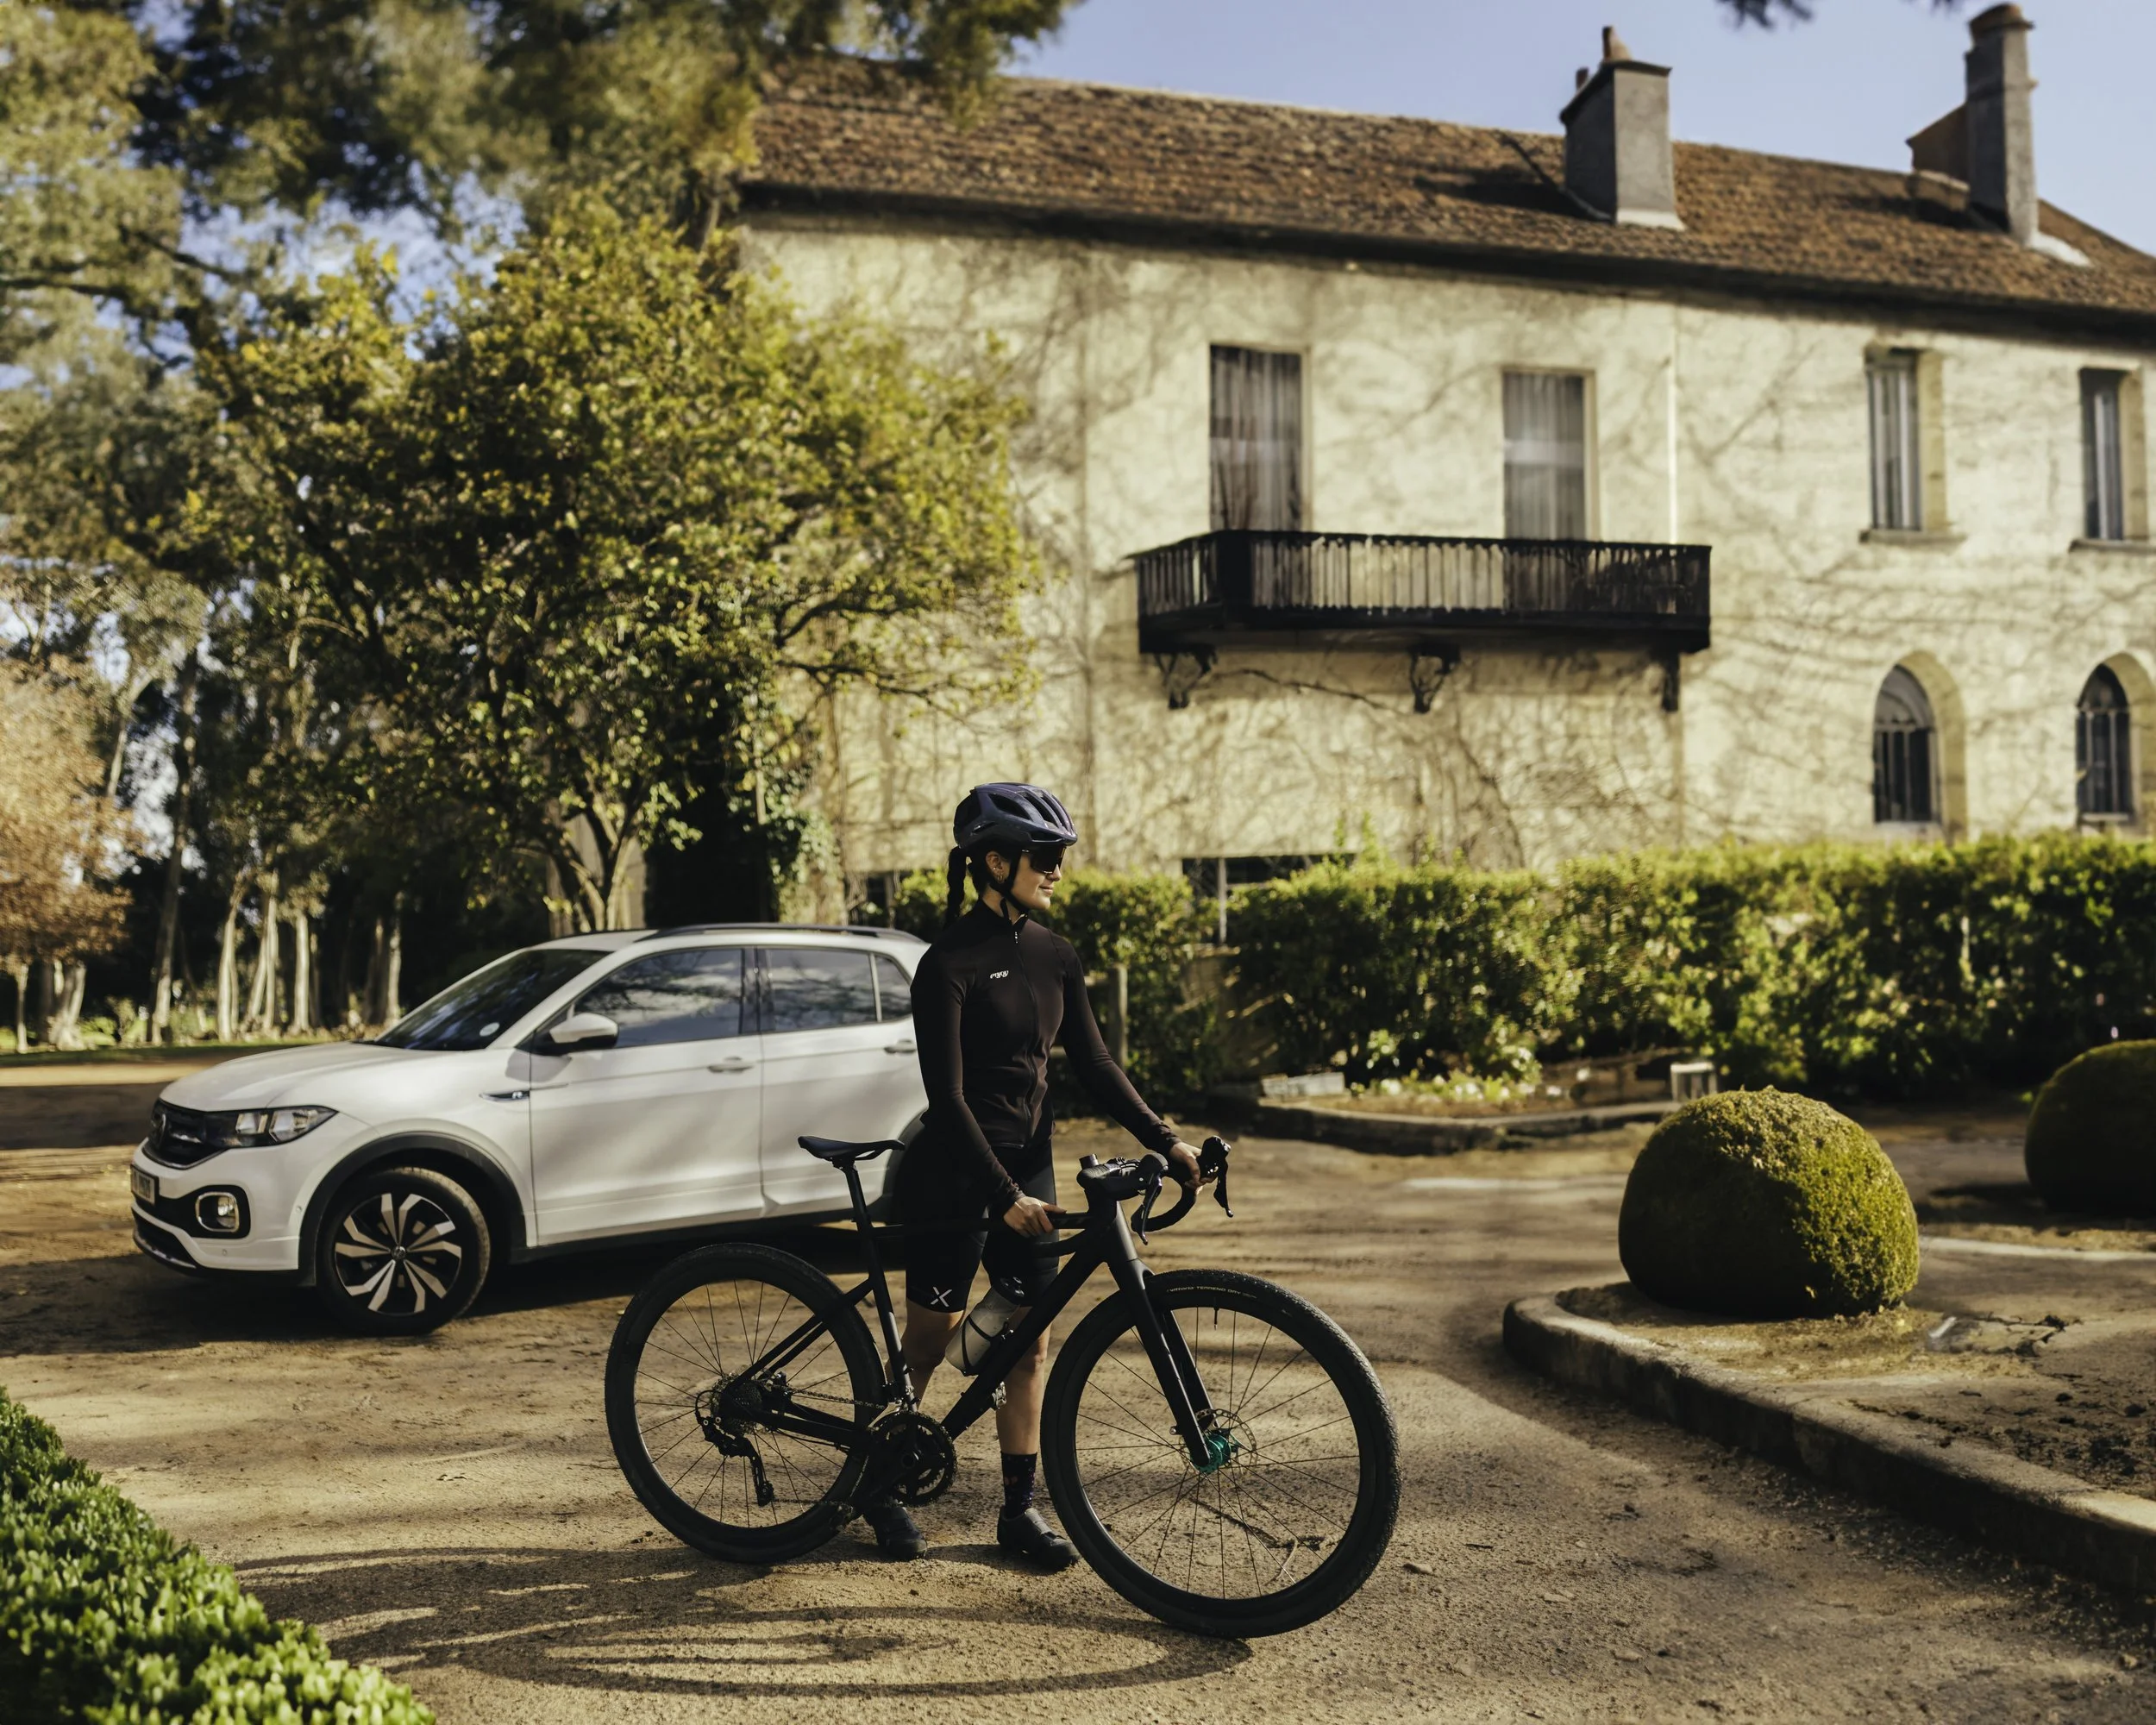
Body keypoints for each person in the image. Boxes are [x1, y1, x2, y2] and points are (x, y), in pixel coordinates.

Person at [863, 782, 1208, 1566]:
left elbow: (1093, 1061)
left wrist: (1169, 1139)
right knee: (930, 1343)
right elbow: (945, 1098)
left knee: (1028, 1347)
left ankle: (1018, 1511)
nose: (1056, 870)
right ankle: (879, 1481)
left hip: (1031, 1169)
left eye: (1059, 857)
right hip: (958, 1178)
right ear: (993, 860)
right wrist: (1001, 1196)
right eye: (1044, 856)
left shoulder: (1055, 954)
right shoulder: (947, 963)